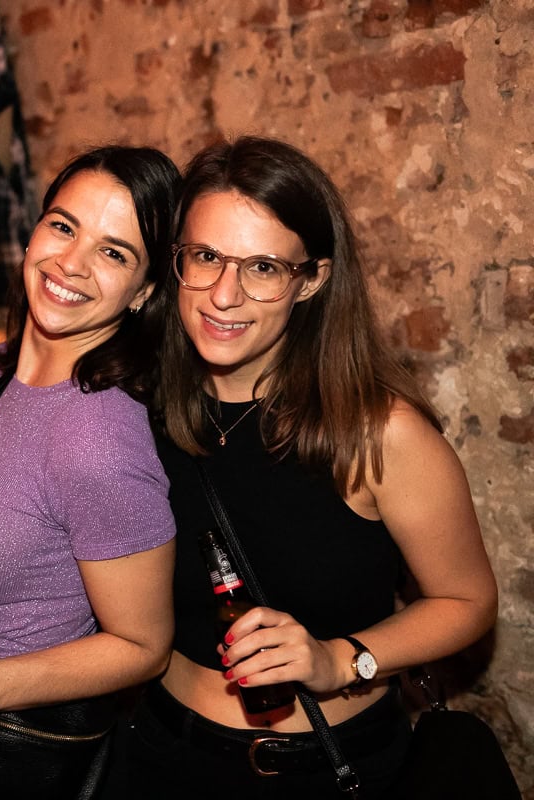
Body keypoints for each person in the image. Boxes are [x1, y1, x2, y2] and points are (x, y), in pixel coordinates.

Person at [127, 135, 498, 798]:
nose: (223, 295)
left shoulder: (376, 431)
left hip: (320, 771)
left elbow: (467, 601)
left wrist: (342, 659)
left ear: (312, 280)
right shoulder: (141, 412)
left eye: (263, 267)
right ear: (176, 260)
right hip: (158, 753)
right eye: (205, 256)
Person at [0, 145, 179, 800]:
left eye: (114, 253)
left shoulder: (98, 435)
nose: (71, 262)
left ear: (143, 293)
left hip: (6, 750)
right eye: (63, 225)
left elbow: (143, 644)